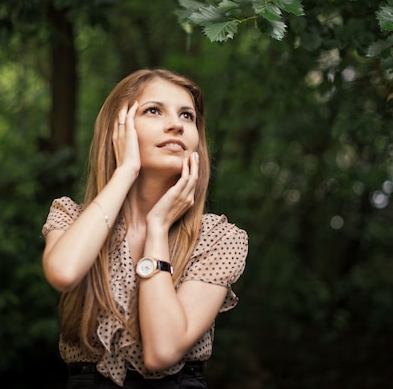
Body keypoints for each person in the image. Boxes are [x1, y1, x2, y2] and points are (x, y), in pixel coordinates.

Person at [41, 68, 249, 388]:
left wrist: (157, 228)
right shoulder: (69, 215)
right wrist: (125, 172)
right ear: (119, 130)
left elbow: (161, 353)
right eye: (153, 110)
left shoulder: (219, 237)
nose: (176, 124)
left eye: (187, 116)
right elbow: (64, 271)